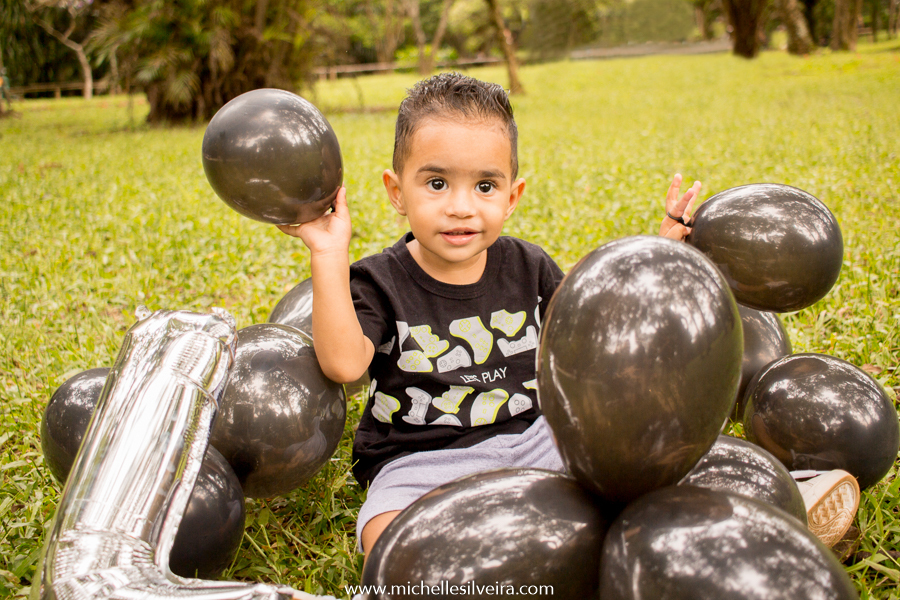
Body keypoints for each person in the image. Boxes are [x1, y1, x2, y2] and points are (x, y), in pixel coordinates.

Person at [279, 72, 855, 555]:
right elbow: (345, 365)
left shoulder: (527, 267)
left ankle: (777, 501)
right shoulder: (379, 280)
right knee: (384, 536)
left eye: (484, 186)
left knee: (643, 459)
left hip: (538, 439)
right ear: (396, 190)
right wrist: (329, 254)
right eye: (436, 182)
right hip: (421, 463)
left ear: (513, 196)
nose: (461, 207)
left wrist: (660, 249)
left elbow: (595, 321)